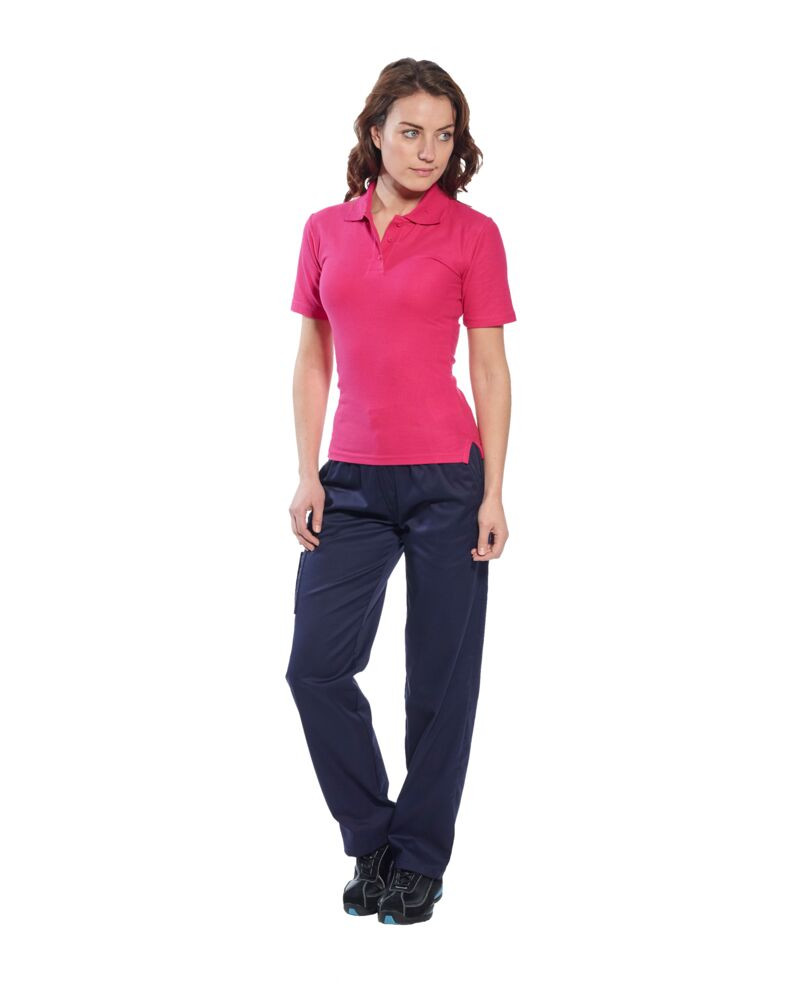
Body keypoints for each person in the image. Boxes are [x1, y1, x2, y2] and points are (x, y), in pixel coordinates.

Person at [285, 58, 517, 925]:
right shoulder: (324, 229)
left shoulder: (472, 234)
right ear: (375, 131)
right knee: (315, 668)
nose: (428, 150)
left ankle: (420, 858)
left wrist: (494, 492)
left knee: (439, 683)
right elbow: (314, 357)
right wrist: (307, 471)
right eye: (411, 131)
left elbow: (489, 369)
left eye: (444, 135)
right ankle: (374, 839)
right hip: (349, 480)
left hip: (449, 481)